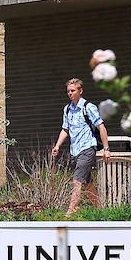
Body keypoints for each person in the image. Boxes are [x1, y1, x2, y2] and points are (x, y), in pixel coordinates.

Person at [51, 78, 111, 216]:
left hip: (87, 149)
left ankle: (68, 215)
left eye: (73, 91)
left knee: (76, 182)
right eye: (68, 91)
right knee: (88, 185)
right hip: (75, 151)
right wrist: (57, 146)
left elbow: (101, 127)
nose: (70, 93)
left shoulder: (88, 107)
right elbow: (65, 129)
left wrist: (106, 149)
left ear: (80, 91)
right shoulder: (67, 109)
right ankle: (103, 214)